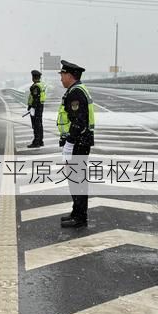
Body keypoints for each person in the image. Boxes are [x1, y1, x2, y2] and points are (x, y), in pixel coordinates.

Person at [56, 60, 95, 228]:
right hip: (80, 141)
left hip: (78, 142)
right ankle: (77, 212)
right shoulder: (76, 90)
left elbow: (79, 121)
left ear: (70, 76)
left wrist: (70, 143)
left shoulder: (75, 93)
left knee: (77, 179)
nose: (61, 79)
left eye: (62, 75)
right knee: (75, 179)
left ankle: (80, 217)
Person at [26, 69, 46, 148]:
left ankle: (36, 142)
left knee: (36, 125)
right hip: (40, 106)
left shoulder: (36, 87)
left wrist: (32, 108)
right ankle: (40, 141)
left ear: (33, 77)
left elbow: (35, 98)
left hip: (36, 107)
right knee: (39, 124)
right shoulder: (41, 85)